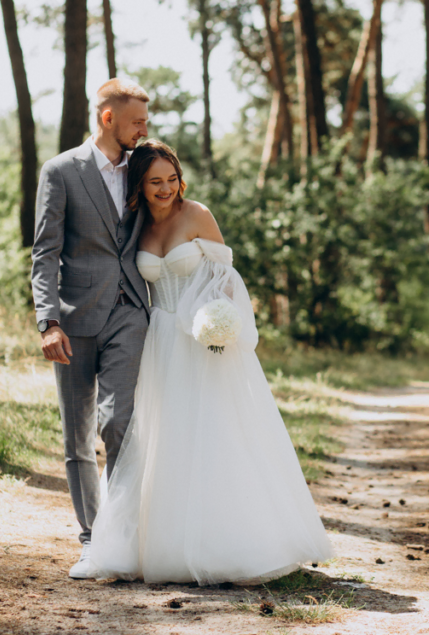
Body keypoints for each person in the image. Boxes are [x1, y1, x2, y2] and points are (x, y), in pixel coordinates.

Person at [86, 140, 334, 585]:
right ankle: (160, 545)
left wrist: (217, 323)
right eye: (154, 181)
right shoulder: (135, 225)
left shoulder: (197, 214)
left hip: (203, 340)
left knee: (213, 433)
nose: (166, 189)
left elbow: (226, 279)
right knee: (164, 438)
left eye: (171, 179)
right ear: (139, 186)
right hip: (158, 342)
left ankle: (229, 543)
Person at [31, 79, 152, 579]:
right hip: (75, 318)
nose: (144, 129)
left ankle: (124, 533)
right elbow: (45, 251)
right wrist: (48, 321)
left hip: (130, 312)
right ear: (107, 119)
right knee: (77, 435)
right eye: (136, 122)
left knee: (119, 421)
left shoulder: (145, 167)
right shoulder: (61, 171)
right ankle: (92, 538)